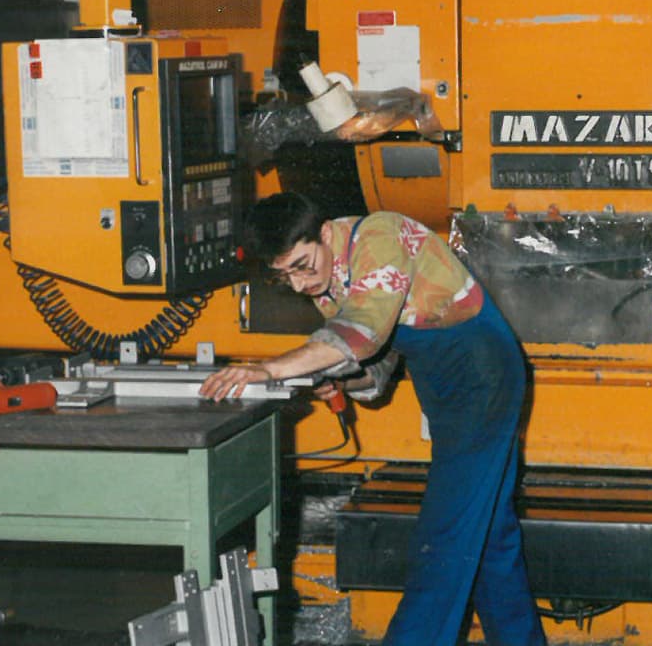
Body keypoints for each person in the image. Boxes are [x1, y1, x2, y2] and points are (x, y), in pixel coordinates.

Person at [201, 192, 546, 646]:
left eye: (303, 265)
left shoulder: (379, 236)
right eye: (286, 276)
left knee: (444, 538)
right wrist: (341, 381)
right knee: (488, 536)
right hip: (446, 388)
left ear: (325, 234)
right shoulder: (327, 283)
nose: (300, 285)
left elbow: (361, 333)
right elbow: (378, 364)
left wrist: (269, 369)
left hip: (483, 373)